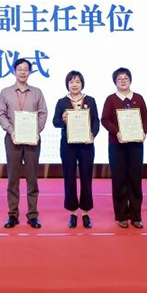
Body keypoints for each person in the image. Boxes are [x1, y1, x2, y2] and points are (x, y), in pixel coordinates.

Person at [0, 58, 49, 228]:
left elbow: (43, 113)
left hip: (32, 140)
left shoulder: (37, 92)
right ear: (14, 71)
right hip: (13, 139)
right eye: (20, 69)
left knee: (32, 178)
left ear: (30, 72)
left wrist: (36, 131)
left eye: (26, 69)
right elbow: (0, 113)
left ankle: (32, 215)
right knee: (13, 178)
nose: (23, 72)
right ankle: (13, 215)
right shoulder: (5, 92)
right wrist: (11, 131)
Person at [100, 67, 147, 229]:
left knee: (135, 179)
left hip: (136, 145)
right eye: (119, 78)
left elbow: (145, 118)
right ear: (115, 81)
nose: (123, 81)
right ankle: (121, 216)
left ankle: (136, 216)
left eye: (125, 78)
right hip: (117, 145)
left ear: (130, 80)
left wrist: (143, 132)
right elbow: (105, 119)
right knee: (119, 179)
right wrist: (117, 132)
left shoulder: (138, 98)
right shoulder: (111, 99)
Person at [52, 70, 100, 229]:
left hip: (86, 145)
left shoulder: (90, 100)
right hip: (68, 145)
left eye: (77, 82)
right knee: (69, 177)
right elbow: (55, 122)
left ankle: (85, 212)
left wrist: (93, 135)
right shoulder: (62, 102)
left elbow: (96, 121)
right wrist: (63, 120)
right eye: (71, 82)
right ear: (67, 84)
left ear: (82, 84)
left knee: (86, 177)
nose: (74, 85)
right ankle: (72, 212)